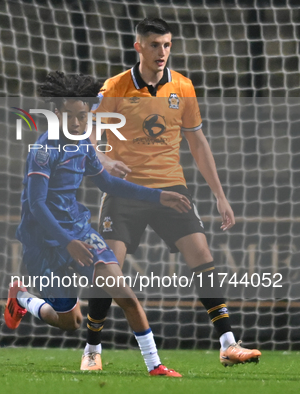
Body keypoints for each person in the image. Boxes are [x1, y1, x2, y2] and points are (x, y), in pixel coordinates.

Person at [84, 17, 261, 370]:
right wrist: (103, 159)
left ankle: (228, 343)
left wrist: (220, 195)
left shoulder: (183, 86)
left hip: (170, 187)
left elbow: (197, 142)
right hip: (126, 190)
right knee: (108, 268)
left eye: (166, 44)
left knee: (201, 253)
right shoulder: (115, 88)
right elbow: (87, 132)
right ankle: (92, 349)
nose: (161, 52)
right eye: (154, 45)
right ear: (139, 47)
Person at [5, 71, 189, 377]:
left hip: (79, 231)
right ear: (56, 113)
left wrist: (159, 197)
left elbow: (108, 183)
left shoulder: (83, 145)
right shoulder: (43, 150)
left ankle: (155, 365)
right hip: (44, 240)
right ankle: (23, 298)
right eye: (71, 117)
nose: (78, 124)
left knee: (125, 295)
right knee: (70, 322)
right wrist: (67, 242)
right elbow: (36, 206)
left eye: (83, 117)